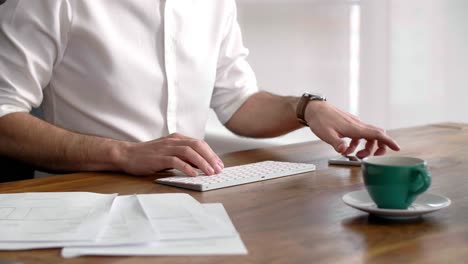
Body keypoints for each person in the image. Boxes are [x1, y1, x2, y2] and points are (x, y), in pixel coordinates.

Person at [0, 0, 399, 179]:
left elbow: (238, 101)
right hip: (84, 200)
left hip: (194, 199)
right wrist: (123, 153)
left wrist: (305, 108)